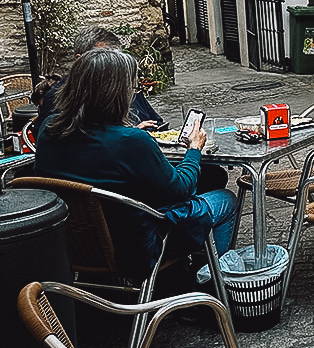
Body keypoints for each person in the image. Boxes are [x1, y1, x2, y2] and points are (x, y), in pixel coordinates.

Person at [34, 47, 237, 281]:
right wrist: (194, 150)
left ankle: (184, 275)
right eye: (132, 88)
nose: (133, 94)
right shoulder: (130, 142)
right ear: (116, 94)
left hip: (75, 243)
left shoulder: (49, 129)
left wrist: (128, 133)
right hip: (134, 248)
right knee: (225, 200)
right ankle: (209, 288)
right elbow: (181, 190)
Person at [35, 27, 162, 130]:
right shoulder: (60, 98)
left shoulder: (127, 87)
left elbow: (157, 122)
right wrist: (132, 134)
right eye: (103, 58)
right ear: (80, 60)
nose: (113, 65)